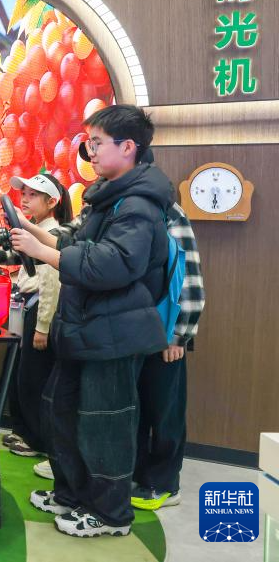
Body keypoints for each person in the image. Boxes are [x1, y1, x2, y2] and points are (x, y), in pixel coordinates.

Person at [9, 104, 173, 538]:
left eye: (97, 143)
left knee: (106, 425)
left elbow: (111, 264)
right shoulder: (108, 196)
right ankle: (72, 494)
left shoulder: (138, 205)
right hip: (86, 328)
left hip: (114, 333)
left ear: (128, 147)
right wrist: (32, 231)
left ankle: (110, 514)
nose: (90, 152)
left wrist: (43, 252)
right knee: (61, 412)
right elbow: (76, 239)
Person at [130, 201, 203, 510]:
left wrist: (178, 335)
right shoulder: (121, 204)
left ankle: (164, 483)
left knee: (164, 411)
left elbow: (189, 277)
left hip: (165, 333)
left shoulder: (169, 211)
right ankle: (135, 474)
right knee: (134, 409)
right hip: (131, 330)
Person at [2, 173, 70, 458]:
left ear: (52, 202)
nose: (25, 199)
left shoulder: (52, 234)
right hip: (26, 308)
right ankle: (24, 431)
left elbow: (51, 284)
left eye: (33, 195)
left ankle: (37, 440)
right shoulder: (36, 231)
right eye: (23, 194)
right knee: (21, 375)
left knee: (33, 378)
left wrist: (43, 326)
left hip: (39, 311)